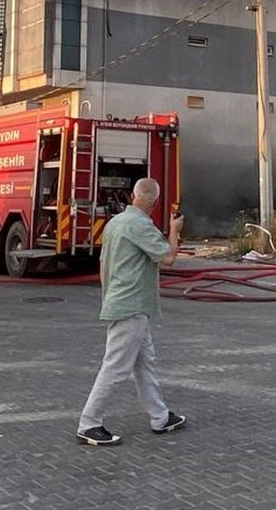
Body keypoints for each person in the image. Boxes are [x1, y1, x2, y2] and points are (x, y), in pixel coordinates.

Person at [76, 177, 187, 447]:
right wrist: (174, 230)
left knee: (143, 364)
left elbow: (103, 267)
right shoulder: (140, 226)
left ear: (133, 195)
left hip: (121, 302)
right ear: (155, 202)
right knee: (115, 367)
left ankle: (160, 417)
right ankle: (89, 423)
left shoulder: (115, 223)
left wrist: (110, 297)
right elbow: (168, 258)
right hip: (132, 307)